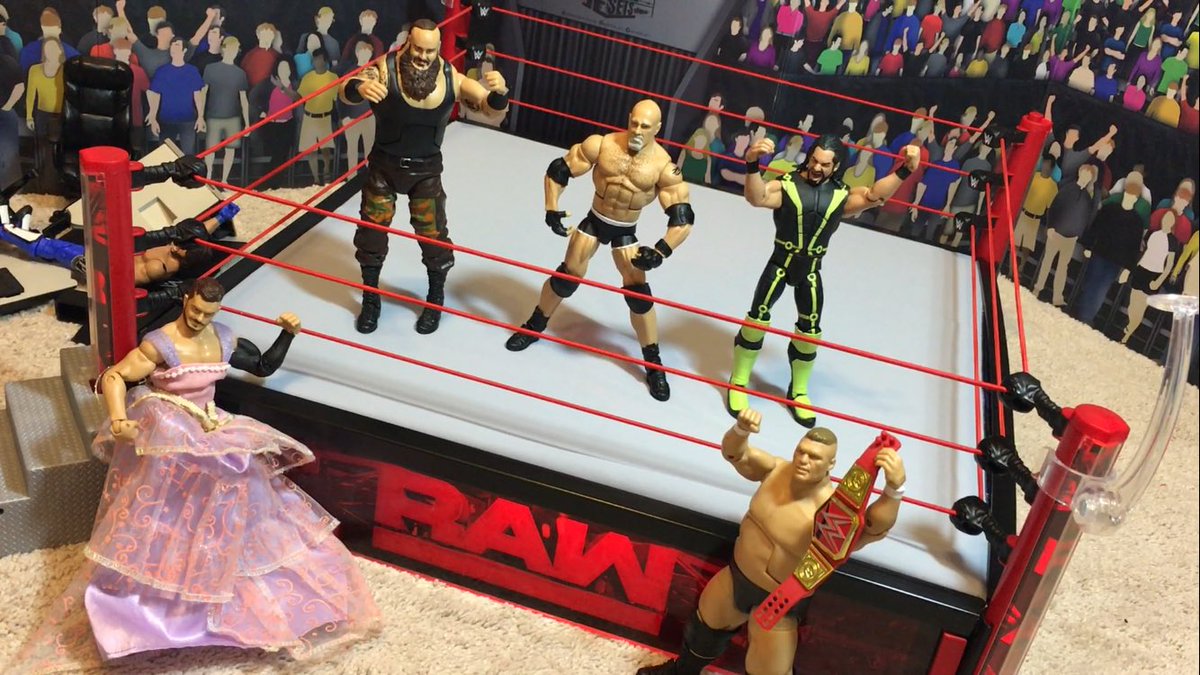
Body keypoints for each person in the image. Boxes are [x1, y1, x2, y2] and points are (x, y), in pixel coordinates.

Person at [9, 278, 381, 672]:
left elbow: (262, 366)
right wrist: (118, 419)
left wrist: (286, 335)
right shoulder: (161, 343)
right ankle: (145, 615)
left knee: (245, 480)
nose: (200, 318)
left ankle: (230, 583)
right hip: (170, 426)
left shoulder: (223, 338)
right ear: (186, 300)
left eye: (209, 313)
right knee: (169, 512)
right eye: (196, 310)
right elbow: (116, 376)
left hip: (210, 422)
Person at [636, 408, 906, 675]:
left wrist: (894, 491)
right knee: (704, 627)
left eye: (814, 457)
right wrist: (741, 430)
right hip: (737, 576)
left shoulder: (834, 513)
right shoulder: (776, 470)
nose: (804, 460)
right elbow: (736, 454)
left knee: (769, 669)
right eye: (801, 451)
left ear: (830, 464)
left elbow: (873, 528)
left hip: (780, 601)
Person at [503, 99, 694, 402]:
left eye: (645, 126)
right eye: (634, 123)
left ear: (657, 129)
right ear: (628, 119)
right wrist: (551, 207)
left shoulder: (663, 166)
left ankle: (653, 363)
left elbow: (682, 217)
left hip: (625, 230)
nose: (638, 130)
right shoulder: (603, 145)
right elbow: (559, 170)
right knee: (566, 278)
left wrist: (660, 251)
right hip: (595, 220)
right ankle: (534, 325)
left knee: (639, 295)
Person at [727, 135, 920, 427]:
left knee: (810, 331)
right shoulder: (788, 184)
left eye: (825, 164)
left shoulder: (840, 195)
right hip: (780, 262)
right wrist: (752, 163)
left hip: (811, 269)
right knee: (757, 319)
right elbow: (758, 197)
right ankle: (739, 381)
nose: (817, 168)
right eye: (814, 160)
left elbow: (874, 196)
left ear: (836, 166)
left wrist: (905, 170)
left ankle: (799, 391)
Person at [340, 19, 510, 335]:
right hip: (384, 167)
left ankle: (435, 298)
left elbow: (490, 109)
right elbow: (347, 91)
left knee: (433, 237)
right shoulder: (385, 69)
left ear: (438, 50)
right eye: (417, 48)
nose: (422, 57)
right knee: (371, 234)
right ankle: (371, 297)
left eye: (429, 51)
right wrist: (359, 87)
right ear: (407, 43)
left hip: (426, 171)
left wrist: (499, 93)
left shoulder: (451, 78)